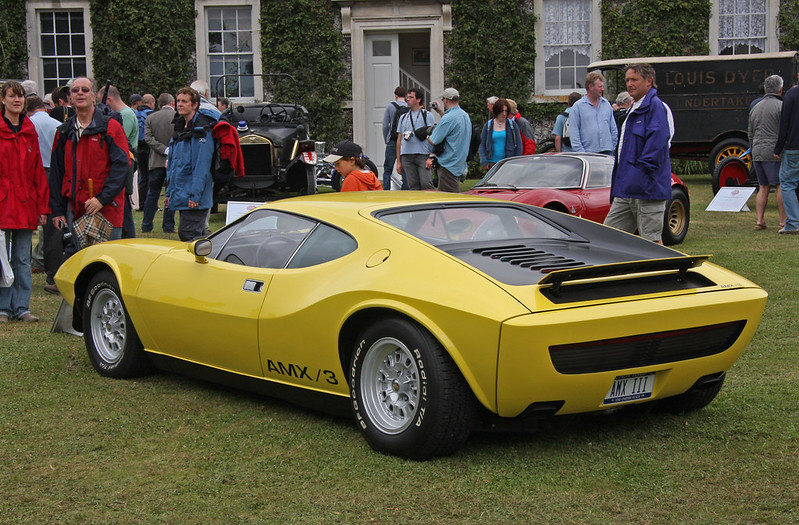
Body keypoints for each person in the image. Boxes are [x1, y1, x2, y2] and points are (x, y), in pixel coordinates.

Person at [50, 77, 130, 251]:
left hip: (107, 207)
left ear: (93, 96)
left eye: (85, 90)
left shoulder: (111, 127)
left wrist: (102, 199)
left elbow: (122, 167)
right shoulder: (64, 132)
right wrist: (57, 210)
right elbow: (56, 173)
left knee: (107, 260)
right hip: (76, 207)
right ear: (70, 97)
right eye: (75, 90)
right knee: (81, 262)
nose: (80, 93)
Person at [604, 63, 672, 244]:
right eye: (627, 80)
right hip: (626, 190)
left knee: (651, 243)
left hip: (648, 190)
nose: (629, 84)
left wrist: (638, 177)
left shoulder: (656, 107)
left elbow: (655, 148)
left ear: (649, 81)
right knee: (608, 237)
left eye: (634, 79)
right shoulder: (633, 108)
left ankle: (663, 273)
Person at [0, 81, 50, 323]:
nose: (17, 100)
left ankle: (21, 307)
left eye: (20, 97)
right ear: (3, 100)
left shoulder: (30, 131)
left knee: (21, 258)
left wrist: (42, 207)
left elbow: (37, 172)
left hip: (24, 203)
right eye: (12, 96)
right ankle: (2, 307)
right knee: (2, 257)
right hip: (3, 202)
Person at [166, 87, 216, 241]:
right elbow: (174, 165)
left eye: (184, 101)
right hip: (182, 192)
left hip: (194, 196)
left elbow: (202, 165)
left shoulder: (202, 130)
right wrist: (169, 193)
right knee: (193, 235)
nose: (180, 104)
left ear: (195, 105)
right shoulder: (180, 127)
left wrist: (195, 195)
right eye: (178, 101)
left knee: (190, 235)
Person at [26, 95, 63, 295]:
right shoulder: (58, 124)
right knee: (53, 225)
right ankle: (52, 270)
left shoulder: (29, 124)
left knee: (39, 225)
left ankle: (38, 264)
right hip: (55, 172)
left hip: (38, 172)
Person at [98, 85, 138, 239]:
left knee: (124, 208)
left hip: (124, 162)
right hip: (125, 161)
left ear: (108, 99)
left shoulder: (125, 115)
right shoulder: (124, 113)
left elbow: (118, 141)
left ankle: (128, 238)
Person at [748, 74, 786, 231]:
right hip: (774, 152)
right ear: (780, 89)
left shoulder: (755, 107)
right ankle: (783, 221)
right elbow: (784, 131)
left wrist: (753, 148)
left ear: (765, 88)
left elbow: (750, 133)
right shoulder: (781, 106)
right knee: (780, 185)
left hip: (757, 151)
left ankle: (759, 220)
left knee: (762, 186)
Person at [142, 93, 176, 233]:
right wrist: (170, 150)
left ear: (158, 104)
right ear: (172, 102)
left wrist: (163, 149)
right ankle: (168, 226)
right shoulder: (178, 117)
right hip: (173, 160)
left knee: (152, 194)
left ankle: (146, 225)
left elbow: (148, 139)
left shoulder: (151, 118)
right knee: (171, 193)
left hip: (156, 160)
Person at [427, 88, 472, 193]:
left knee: (450, 201)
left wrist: (427, 136)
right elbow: (451, 124)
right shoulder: (464, 115)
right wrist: (440, 112)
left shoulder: (448, 118)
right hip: (459, 162)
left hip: (448, 164)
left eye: (443, 99)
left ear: (446, 100)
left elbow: (434, 140)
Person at [395, 88, 436, 190]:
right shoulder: (403, 117)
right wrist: (398, 161)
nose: (407, 99)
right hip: (407, 155)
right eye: (407, 97)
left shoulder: (427, 115)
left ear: (418, 100)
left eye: (411, 97)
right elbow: (399, 140)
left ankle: (430, 204)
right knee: (413, 186)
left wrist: (431, 157)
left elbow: (434, 137)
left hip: (423, 154)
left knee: (426, 184)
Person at [774, 72, 799, 234]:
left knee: (788, 183)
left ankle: (793, 222)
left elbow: (784, 125)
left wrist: (778, 148)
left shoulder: (791, 95)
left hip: (794, 146)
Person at [569, 72, 618, 155]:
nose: (602, 89)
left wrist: (612, 147)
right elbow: (574, 134)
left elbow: (613, 129)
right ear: (591, 87)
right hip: (588, 153)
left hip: (608, 152)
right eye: (600, 87)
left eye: (603, 86)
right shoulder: (577, 107)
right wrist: (581, 153)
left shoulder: (606, 104)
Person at [478, 98, 522, 170]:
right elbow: (482, 144)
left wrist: (516, 161)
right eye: (502, 111)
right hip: (491, 163)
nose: (504, 113)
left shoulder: (512, 125)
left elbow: (519, 145)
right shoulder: (488, 125)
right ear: (497, 111)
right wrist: (483, 161)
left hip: (508, 163)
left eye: (506, 111)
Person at [381, 86, 408, 189]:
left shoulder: (390, 107)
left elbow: (385, 125)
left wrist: (386, 138)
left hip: (392, 140)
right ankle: (405, 191)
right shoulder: (408, 107)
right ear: (405, 96)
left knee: (388, 169)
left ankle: (386, 190)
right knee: (405, 169)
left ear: (395, 95)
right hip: (405, 141)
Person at [133, 94, 155, 210]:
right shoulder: (152, 114)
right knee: (151, 175)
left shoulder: (135, 114)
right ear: (151, 103)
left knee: (143, 176)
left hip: (138, 147)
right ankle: (150, 203)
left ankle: (141, 204)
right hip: (149, 147)